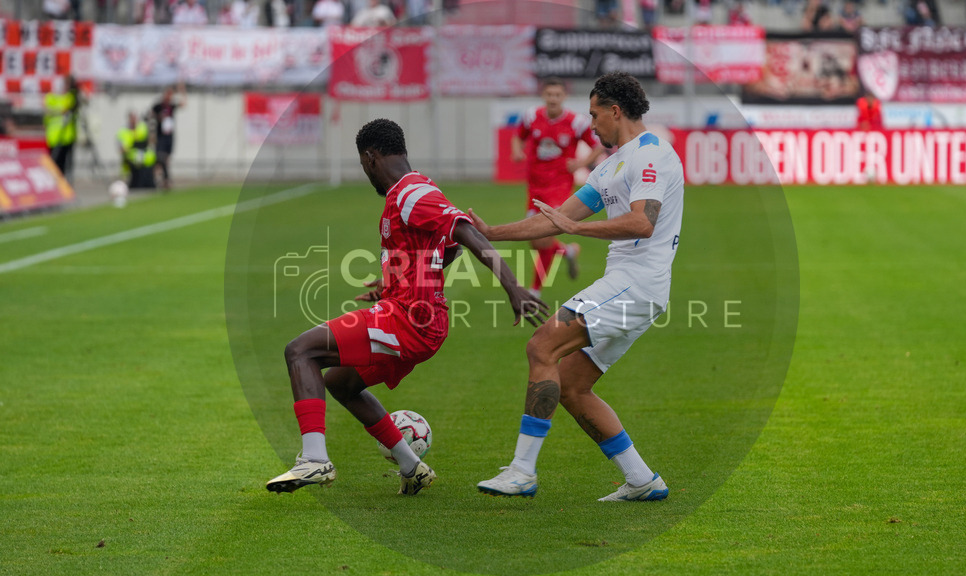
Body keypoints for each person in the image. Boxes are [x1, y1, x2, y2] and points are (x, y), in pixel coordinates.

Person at [266, 118, 547, 495]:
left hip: (410, 319)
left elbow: (467, 232)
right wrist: (392, 280)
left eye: (363, 165)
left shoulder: (410, 193)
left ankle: (315, 460)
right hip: (415, 316)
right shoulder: (415, 190)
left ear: (370, 158)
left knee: (300, 351)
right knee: (341, 383)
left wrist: (513, 287)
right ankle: (411, 466)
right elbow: (448, 248)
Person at [473, 72, 683, 501]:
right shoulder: (609, 165)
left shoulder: (651, 154)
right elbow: (553, 218)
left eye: (594, 114)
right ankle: (642, 480)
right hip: (627, 285)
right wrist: (489, 231)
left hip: (638, 283)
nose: (590, 125)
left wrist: (576, 230)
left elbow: (644, 221)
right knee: (571, 385)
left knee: (540, 347)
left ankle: (522, 471)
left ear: (615, 111)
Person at [512, 77, 604, 298]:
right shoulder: (531, 116)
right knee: (535, 241)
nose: (553, 99)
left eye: (557, 95)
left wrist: (581, 163)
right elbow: (518, 136)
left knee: (542, 237)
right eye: (549, 94)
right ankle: (567, 251)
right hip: (535, 187)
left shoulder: (576, 122)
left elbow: (598, 145)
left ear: (564, 97)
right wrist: (517, 151)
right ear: (544, 95)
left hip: (559, 188)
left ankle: (534, 291)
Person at [150, 82, 185, 189]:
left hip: (169, 136)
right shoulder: (158, 106)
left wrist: (182, 90)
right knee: (160, 157)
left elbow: (183, 104)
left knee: (166, 158)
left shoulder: (171, 106)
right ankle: (159, 178)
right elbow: (150, 116)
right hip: (160, 136)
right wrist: (158, 118)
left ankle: (164, 179)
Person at [44, 75, 79, 178]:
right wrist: (61, 111)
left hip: (67, 137)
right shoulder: (50, 97)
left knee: (64, 165)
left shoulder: (69, 97)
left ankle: (63, 183)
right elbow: (48, 111)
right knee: (54, 164)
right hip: (54, 137)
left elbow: (72, 106)